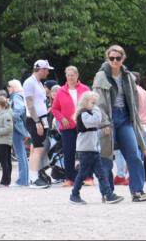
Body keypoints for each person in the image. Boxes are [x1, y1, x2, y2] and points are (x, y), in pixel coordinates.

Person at [91, 45, 146, 202]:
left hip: (125, 118)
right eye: (111, 58)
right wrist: (103, 123)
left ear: (123, 58)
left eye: (118, 58)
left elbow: (133, 101)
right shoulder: (100, 76)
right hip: (108, 119)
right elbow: (98, 102)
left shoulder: (128, 76)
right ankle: (107, 193)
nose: (115, 61)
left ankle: (137, 191)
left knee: (134, 155)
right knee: (106, 157)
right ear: (107, 58)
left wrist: (135, 120)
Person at [69, 92, 124, 205]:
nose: (95, 106)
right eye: (93, 103)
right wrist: (97, 109)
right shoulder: (83, 114)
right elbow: (95, 121)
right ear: (85, 102)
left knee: (101, 174)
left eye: (96, 103)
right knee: (83, 174)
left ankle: (108, 195)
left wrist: (101, 132)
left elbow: (92, 132)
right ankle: (74, 195)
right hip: (85, 150)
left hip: (93, 150)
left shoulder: (88, 114)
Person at [50, 66, 89, 187]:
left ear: (77, 75)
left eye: (72, 75)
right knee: (68, 152)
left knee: (86, 151)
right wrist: (61, 118)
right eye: (68, 75)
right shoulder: (61, 91)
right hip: (67, 127)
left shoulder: (85, 89)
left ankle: (88, 176)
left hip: (83, 125)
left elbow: (92, 105)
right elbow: (54, 109)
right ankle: (69, 178)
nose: (70, 77)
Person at [23, 60, 54, 188]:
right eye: (46, 69)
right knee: (38, 148)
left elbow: (39, 101)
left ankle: (33, 176)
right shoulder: (30, 82)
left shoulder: (38, 82)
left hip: (41, 118)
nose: (48, 72)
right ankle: (34, 179)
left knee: (36, 148)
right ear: (40, 69)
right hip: (35, 119)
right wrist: (37, 122)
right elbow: (30, 104)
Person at [7, 80, 29, 186]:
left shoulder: (16, 96)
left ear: (14, 87)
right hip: (20, 127)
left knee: (20, 154)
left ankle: (22, 180)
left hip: (17, 127)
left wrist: (9, 118)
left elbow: (19, 110)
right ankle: (24, 179)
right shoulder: (20, 95)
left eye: (9, 86)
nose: (8, 88)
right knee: (22, 154)